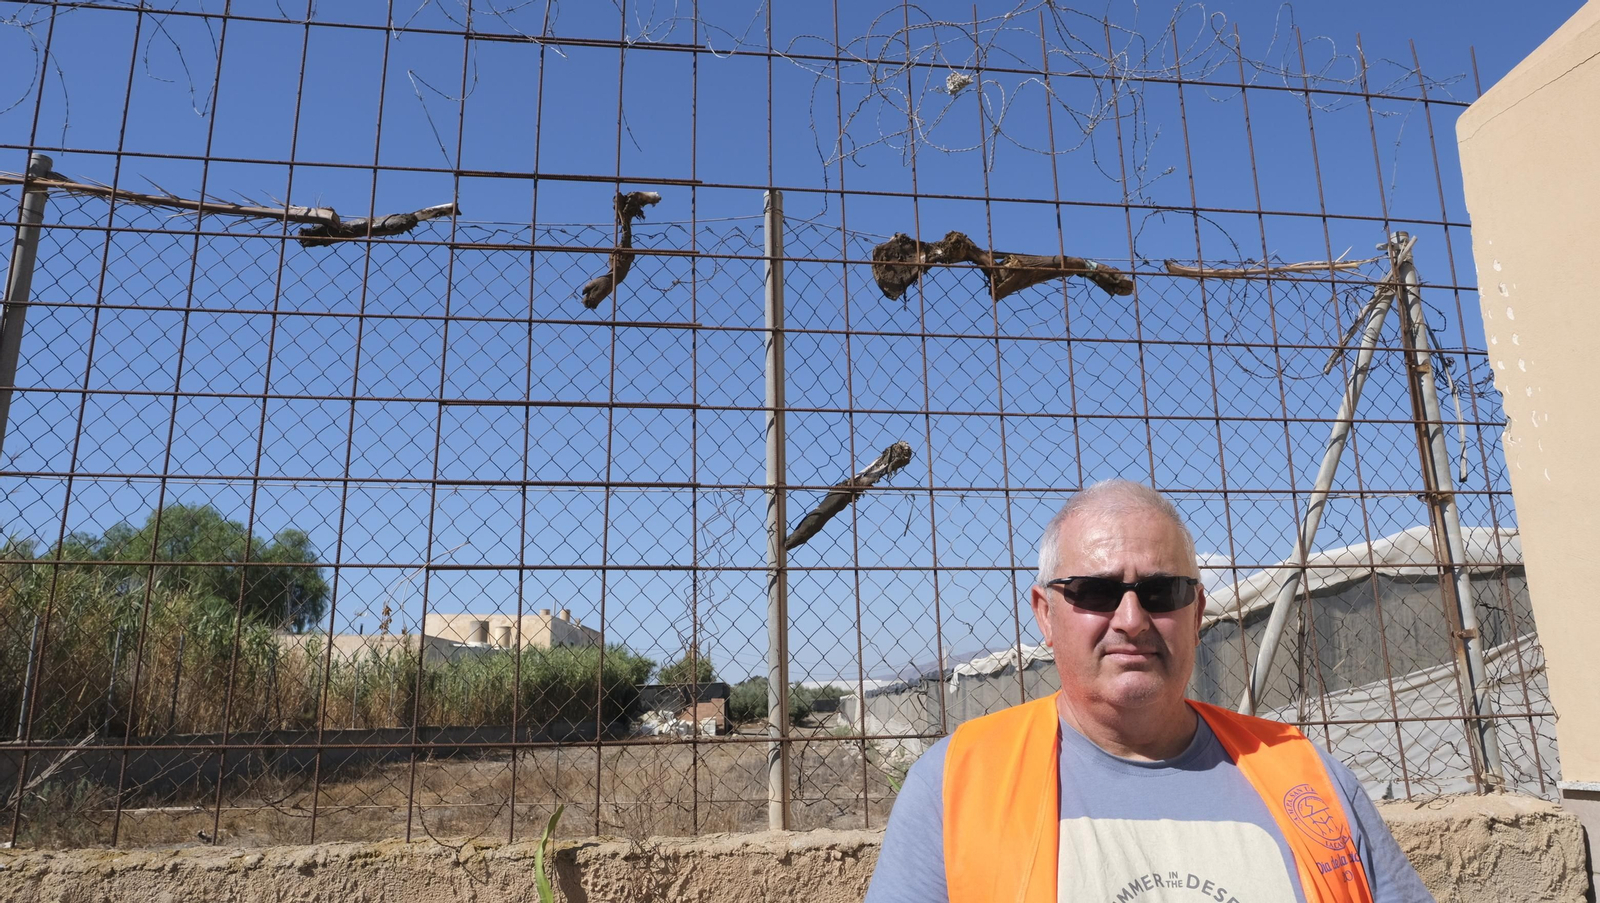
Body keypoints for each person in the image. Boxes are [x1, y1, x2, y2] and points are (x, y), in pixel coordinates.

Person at [865, 479, 1432, 903]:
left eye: (1162, 590)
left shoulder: (1306, 774)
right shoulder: (959, 784)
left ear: (1196, 612)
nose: (1132, 619)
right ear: (1045, 613)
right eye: (1095, 591)